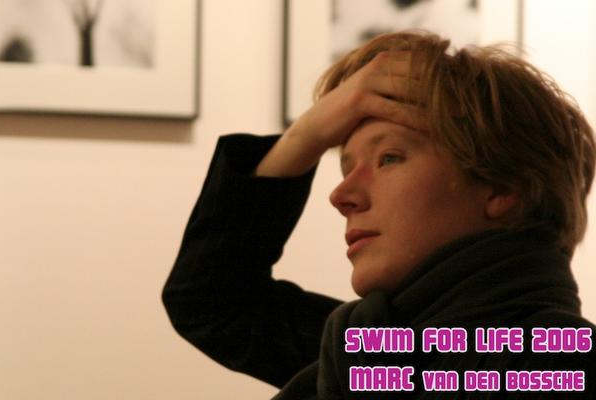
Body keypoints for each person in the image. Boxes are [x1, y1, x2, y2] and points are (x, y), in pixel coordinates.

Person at [162, 31, 596, 399]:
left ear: (502, 187)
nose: (341, 195)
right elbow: (212, 301)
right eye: (346, 168)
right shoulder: (377, 351)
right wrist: (306, 135)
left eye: (389, 158)